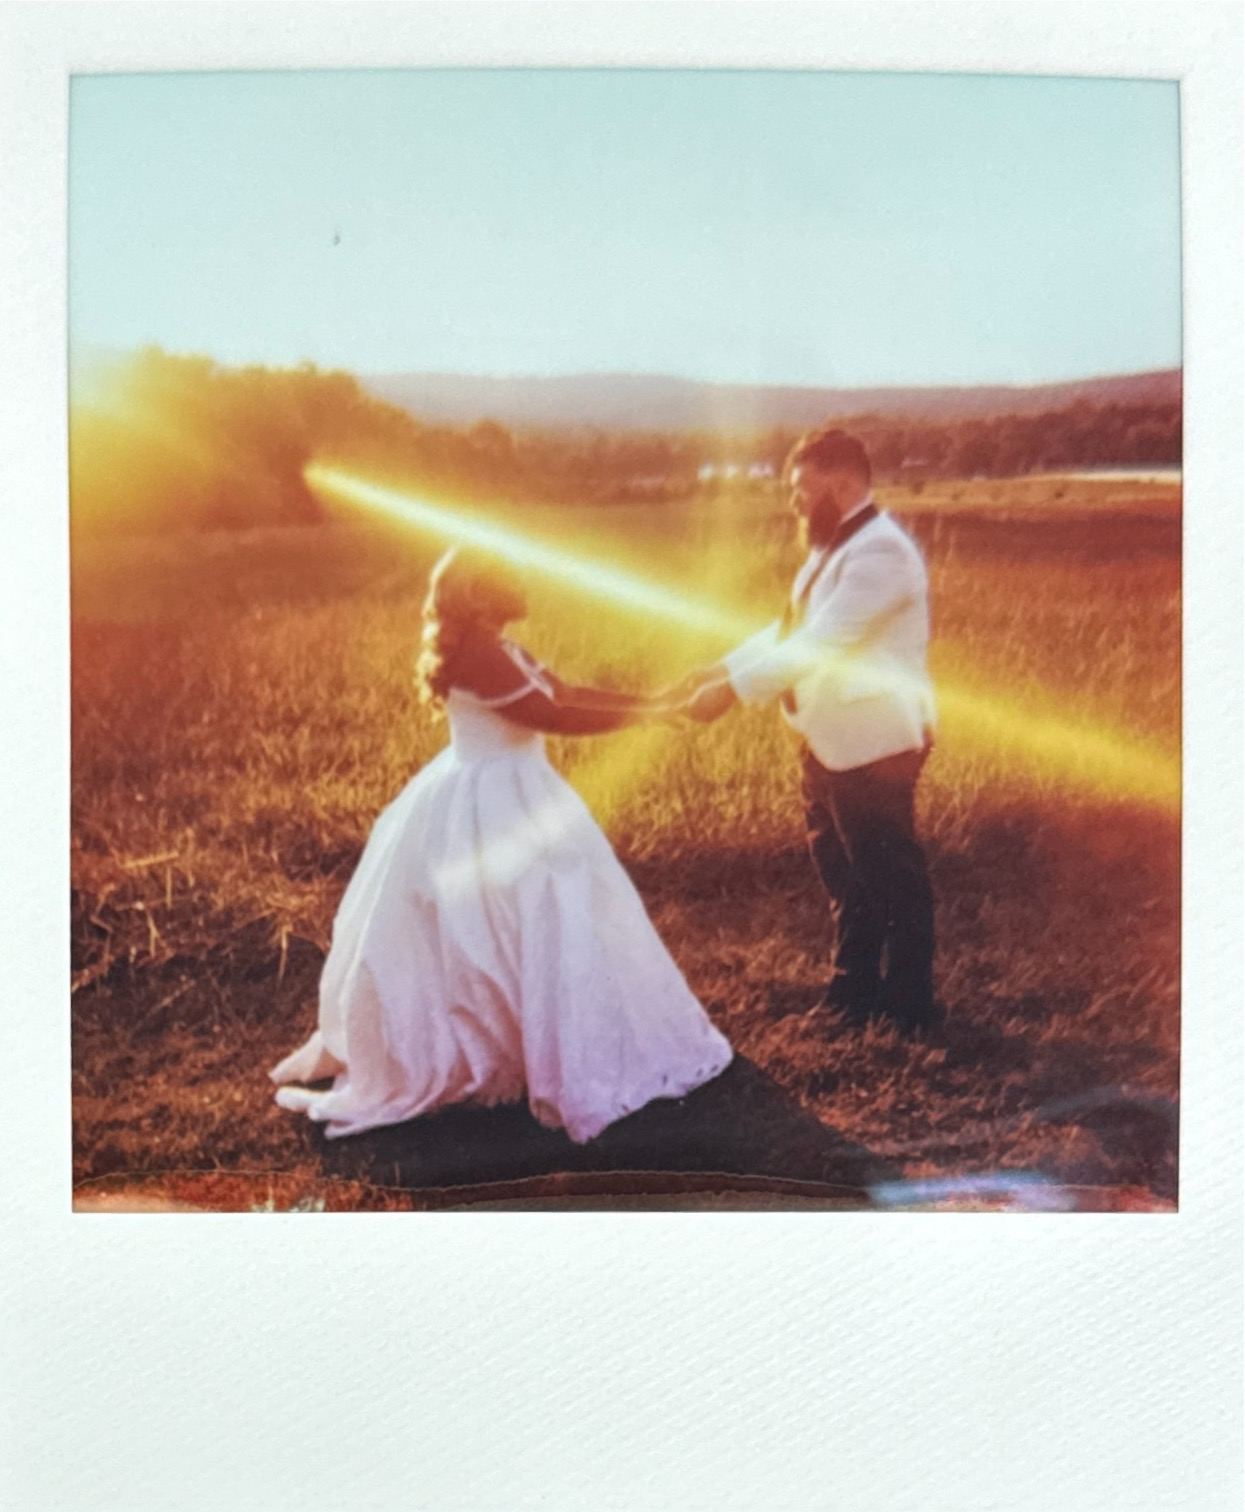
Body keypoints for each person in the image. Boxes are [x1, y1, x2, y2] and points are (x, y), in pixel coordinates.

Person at [270, 545, 732, 1142]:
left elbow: (564, 693)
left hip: (519, 790)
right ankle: (502, 1053)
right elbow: (554, 716)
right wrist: (650, 713)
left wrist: (660, 703)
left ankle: (523, 1047)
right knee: (509, 929)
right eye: (509, 576)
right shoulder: (479, 655)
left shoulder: (501, 647)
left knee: (535, 926)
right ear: (480, 592)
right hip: (489, 806)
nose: (523, 582)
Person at [685, 426, 941, 1036]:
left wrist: (732, 693)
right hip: (829, 740)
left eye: (800, 486)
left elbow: (824, 644)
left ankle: (910, 1008)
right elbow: (791, 630)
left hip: (875, 743)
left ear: (841, 479)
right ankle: (852, 996)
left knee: (890, 879)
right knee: (847, 878)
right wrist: (724, 667)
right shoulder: (831, 548)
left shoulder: (881, 552)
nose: (793, 500)